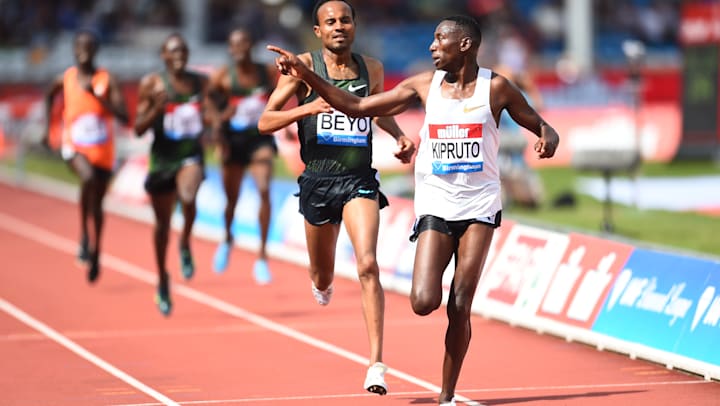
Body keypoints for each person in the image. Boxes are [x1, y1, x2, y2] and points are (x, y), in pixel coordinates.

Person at [266, 14, 559, 405]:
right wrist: (308, 75)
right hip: (436, 203)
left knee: (460, 303)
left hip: (479, 205)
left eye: (440, 40)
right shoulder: (424, 85)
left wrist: (547, 136)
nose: (432, 47)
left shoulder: (497, 88)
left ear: (465, 45)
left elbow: (539, 124)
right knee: (423, 302)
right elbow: (357, 105)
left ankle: (447, 395)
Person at [257, 0, 415, 396]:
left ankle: (376, 364)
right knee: (322, 274)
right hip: (317, 182)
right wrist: (306, 108)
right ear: (318, 31)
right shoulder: (303, 68)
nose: (339, 26)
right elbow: (265, 121)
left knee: (367, 265)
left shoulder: (371, 68)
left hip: (358, 179)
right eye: (330, 22)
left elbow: (375, 109)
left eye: (346, 20)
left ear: (355, 26)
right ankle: (321, 283)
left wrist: (397, 135)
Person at [42, 29, 129, 283]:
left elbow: (124, 116)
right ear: (74, 50)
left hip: (103, 150)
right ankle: (83, 234)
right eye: (79, 46)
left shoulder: (106, 79)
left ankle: (96, 250)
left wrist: (98, 98)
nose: (83, 51)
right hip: (75, 146)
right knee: (87, 178)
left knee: (99, 204)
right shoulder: (66, 78)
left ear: (95, 50)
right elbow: (49, 96)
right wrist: (50, 129)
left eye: (89, 46)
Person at [134, 33, 210, 316]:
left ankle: (186, 241)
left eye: (183, 51)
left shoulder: (200, 82)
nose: (179, 56)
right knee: (162, 226)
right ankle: (163, 278)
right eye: (173, 52)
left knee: (188, 194)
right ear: (164, 56)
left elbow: (211, 111)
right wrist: (156, 107)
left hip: (190, 155)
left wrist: (214, 124)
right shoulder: (152, 84)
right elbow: (138, 128)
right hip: (162, 160)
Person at [207, 28, 278, 284]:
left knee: (263, 190)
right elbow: (209, 102)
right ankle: (227, 238)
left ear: (251, 45)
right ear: (230, 48)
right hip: (233, 141)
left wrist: (278, 116)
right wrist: (218, 122)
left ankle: (261, 256)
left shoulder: (266, 72)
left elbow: (277, 96)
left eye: (244, 44)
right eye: (235, 45)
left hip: (259, 138)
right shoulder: (223, 76)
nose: (240, 49)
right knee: (231, 199)